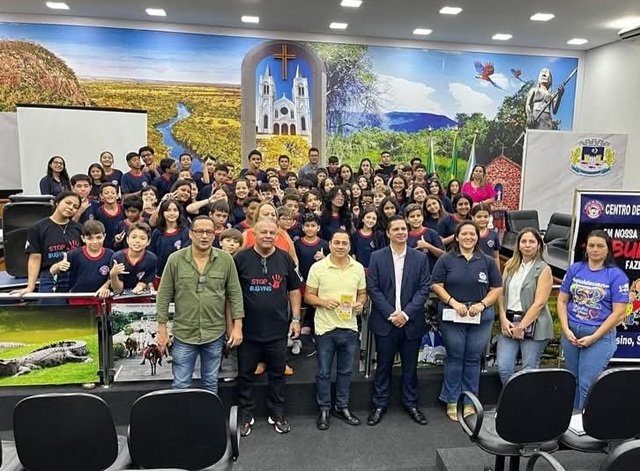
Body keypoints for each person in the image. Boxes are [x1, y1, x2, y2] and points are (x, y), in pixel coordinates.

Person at [156, 216, 244, 394]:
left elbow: (235, 294)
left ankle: (208, 414)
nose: (204, 236)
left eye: (209, 232)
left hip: (214, 332)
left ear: (214, 235)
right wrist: (162, 328)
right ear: (190, 234)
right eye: (199, 231)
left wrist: (237, 327)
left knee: (210, 382)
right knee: (181, 384)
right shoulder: (175, 259)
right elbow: (163, 295)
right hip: (184, 333)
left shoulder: (226, 260)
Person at [234, 218, 302, 436]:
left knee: (277, 374)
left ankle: (277, 413)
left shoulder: (284, 258)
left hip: (277, 330)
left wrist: (296, 319)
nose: (267, 236)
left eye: (272, 233)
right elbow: (232, 293)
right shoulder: (240, 258)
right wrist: (234, 325)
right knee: (245, 375)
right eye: (263, 232)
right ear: (253, 233)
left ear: (277, 235)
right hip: (248, 331)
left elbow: (294, 290)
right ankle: (246, 415)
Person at [431, 221, 502, 421]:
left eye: (472, 234)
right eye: (464, 234)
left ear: (477, 237)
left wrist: (483, 304)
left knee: (472, 358)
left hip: (480, 316)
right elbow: (436, 284)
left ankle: (470, 401)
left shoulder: (487, 261)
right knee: (455, 357)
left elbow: (497, 288)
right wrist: (453, 302)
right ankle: (452, 399)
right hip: (453, 315)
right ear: (457, 237)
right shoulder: (446, 259)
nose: (468, 237)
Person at [366, 215, 431, 426]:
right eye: (396, 229)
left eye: (404, 229)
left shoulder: (420, 258)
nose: (401, 232)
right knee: (383, 365)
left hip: (411, 322)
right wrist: (392, 314)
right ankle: (379, 404)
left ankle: (411, 404)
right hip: (385, 322)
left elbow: (424, 288)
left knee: (410, 367)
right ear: (388, 233)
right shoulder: (377, 257)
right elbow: (373, 288)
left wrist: (406, 314)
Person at [557, 229, 629, 409]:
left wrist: (594, 337)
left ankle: (585, 423)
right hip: (571, 335)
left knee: (586, 383)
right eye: (591, 245)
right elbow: (562, 300)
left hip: (599, 338)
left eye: (600, 246)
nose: (595, 249)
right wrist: (565, 329)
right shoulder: (575, 269)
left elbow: (619, 313)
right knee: (572, 380)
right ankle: (571, 420)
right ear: (586, 248)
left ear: (608, 249)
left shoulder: (617, 276)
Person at [305, 230, 366, 430]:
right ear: (329, 244)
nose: (340, 246)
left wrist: (360, 303)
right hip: (325, 328)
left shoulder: (357, 268)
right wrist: (323, 302)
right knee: (323, 372)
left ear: (349, 246)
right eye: (337, 242)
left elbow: (362, 293)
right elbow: (308, 296)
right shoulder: (318, 268)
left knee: (346, 371)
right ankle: (324, 408)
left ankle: (342, 406)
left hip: (349, 327)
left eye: (344, 243)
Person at [496, 228, 554, 384]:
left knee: (528, 369)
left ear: (539, 245)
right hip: (509, 322)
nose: (527, 245)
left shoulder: (544, 269)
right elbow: (501, 294)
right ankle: (512, 396)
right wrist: (502, 318)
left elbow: (540, 303)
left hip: (534, 325)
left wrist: (522, 326)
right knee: (504, 367)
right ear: (518, 245)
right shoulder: (510, 265)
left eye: (532, 242)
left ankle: (527, 399)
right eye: (524, 241)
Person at [14, 191, 82, 303]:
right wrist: (30, 286)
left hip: (74, 276)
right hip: (49, 276)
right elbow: (34, 258)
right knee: (50, 311)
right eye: (68, 203)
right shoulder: (38, 228)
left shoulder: (79, 228)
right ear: (57, 203)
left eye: (75, 207)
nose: (71, 208)